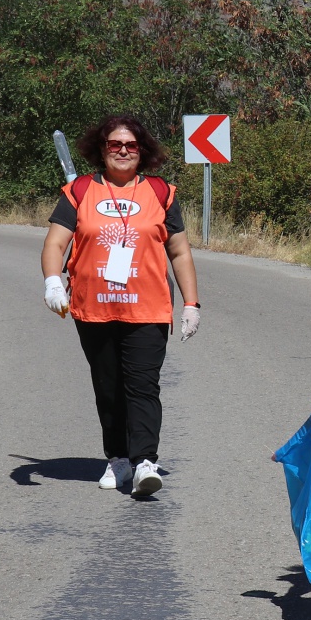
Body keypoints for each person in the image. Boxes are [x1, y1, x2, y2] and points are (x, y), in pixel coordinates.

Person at [40, 115, 201, 498]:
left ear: (142, 151)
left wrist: (191, 303)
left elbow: (179, 252)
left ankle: (145, 461)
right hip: (93, 309)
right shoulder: (80, 191)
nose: (123, 151)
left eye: (131, 145)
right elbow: (55, 244)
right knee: (108, 388)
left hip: (148, 309)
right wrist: (52, 281)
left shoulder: (160, 192)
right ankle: (118, 459)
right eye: (115, 144)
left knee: (143, 385)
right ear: (102, 149)